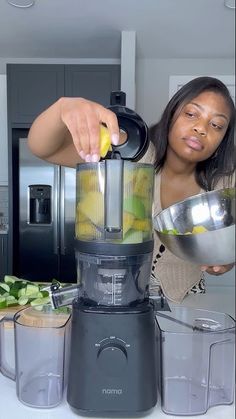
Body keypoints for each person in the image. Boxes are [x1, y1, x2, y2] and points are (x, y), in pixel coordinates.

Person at [28, 76, 235, 303]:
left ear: (222, 140)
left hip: (186, 302)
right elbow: (43, 147)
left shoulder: (224, 184)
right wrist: (62, 108)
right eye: (191, 114)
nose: (201, 128)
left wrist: (229, 257)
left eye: (216, 125)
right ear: (172, 113)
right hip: (115, 296)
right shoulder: (132, 153)